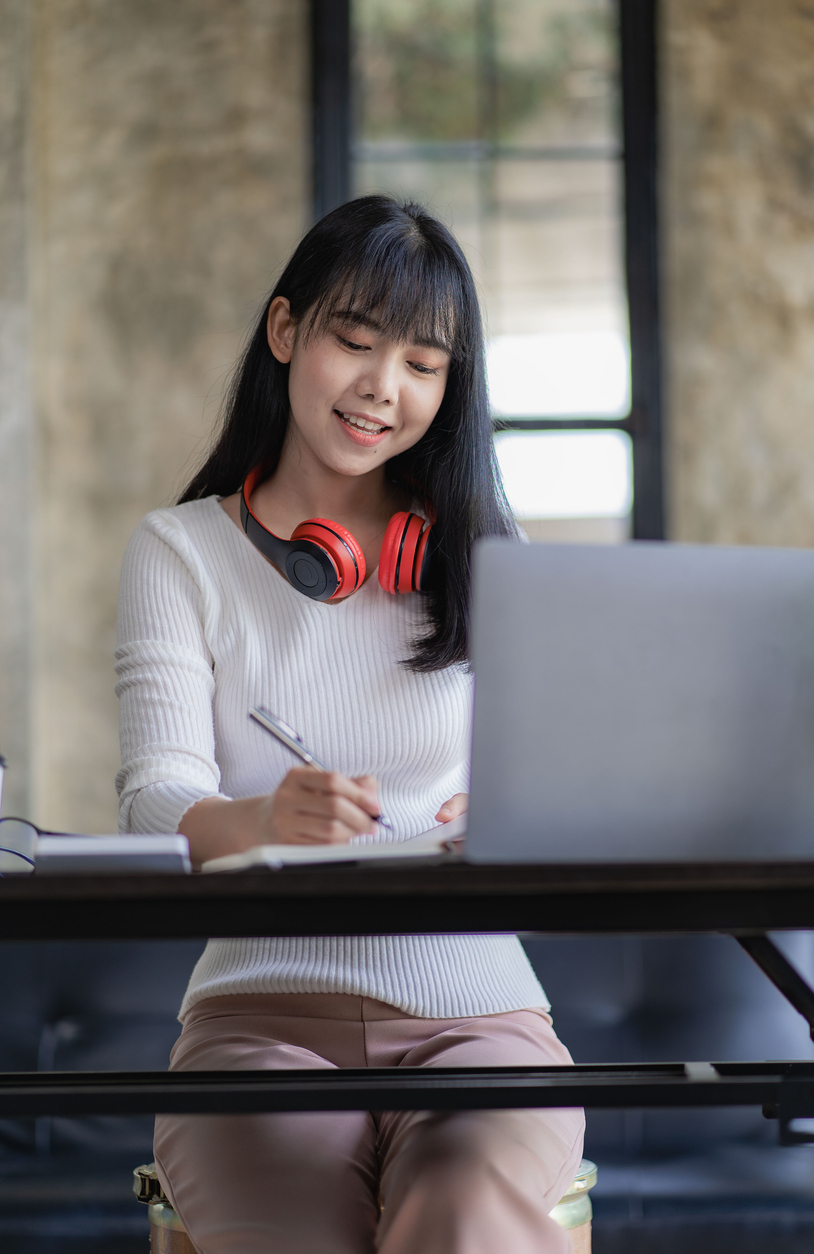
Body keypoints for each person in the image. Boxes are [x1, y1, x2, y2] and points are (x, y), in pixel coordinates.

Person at [115, 195, 584, 1254]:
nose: (385, 388)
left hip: (481, 1016)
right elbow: (153, 804)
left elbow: (565, 781)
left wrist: (517, 813)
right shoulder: (180, 551)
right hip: (258, 1017)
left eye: (424, 363)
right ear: (286, 333)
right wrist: (258, 820)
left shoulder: (485, 553)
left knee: (464, 1216)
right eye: (355, 342)